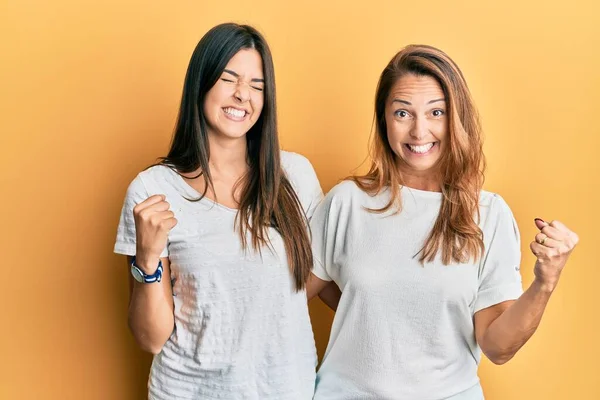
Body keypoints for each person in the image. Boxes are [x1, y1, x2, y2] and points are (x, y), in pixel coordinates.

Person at [307, 44, 579, 399]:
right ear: (383, 119)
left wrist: (545, 282)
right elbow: (287, 297)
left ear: (457, 119)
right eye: (403, 113)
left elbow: (497, 347)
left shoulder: (488, 215)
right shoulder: (346, 202)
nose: (420, 132)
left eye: (436, 112)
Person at [114, 23, 323, 399]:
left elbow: (324, 275)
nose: (243, 95)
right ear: (202, 83)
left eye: (257, 86)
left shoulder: (295, 176)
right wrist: (146, 259)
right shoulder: (153, 190)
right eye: (229, 79)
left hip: (286, 389)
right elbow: (150, 338)